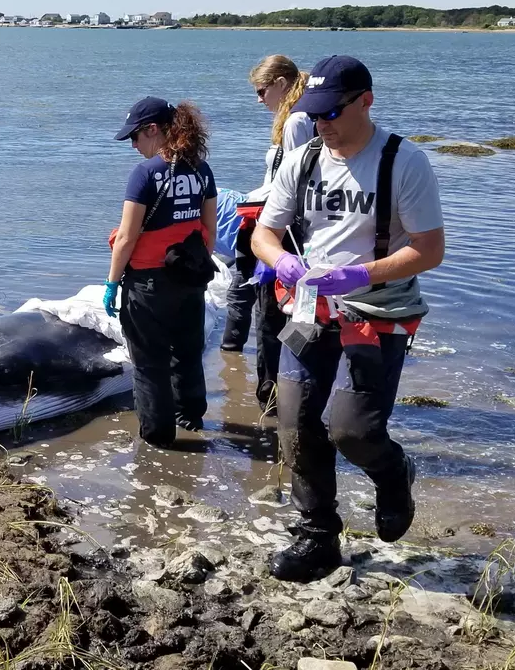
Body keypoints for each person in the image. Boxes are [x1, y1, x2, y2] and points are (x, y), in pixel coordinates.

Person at [251, 55, 445, 582]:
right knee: (294, 425)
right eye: (315, 114)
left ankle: (391, 470)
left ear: (366, 101)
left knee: (351, 430)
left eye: (334, 112)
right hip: (310, 310)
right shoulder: (304, 159)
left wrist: (361, 275)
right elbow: (262, 235)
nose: (323, 124)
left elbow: (429, 250)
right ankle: (317, 535)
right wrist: (282, 261)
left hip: (378, 311)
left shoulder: (404, 162)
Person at [105, 97, 218, 447]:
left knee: (149, 362)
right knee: (186, 351)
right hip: (189, 278)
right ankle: (191, 416)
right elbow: (209, 230)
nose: (135, 146)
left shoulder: (146, 173)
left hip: (148, 283)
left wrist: (111, 283)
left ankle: (157, 437)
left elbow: (126, 237)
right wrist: (193, 268)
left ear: (153, 130)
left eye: (136, 137)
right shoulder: (201, 169)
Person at [224, 55, 316, 420]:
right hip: (292, 232)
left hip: (282, 234)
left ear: (281, 83)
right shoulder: (301, 116)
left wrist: (256, 206)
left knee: (271, 318)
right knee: (293, 314)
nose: (259, 99)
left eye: (262, 91)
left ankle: (273, 401)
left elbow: (291, 186)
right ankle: (291, 391)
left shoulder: (296, 121)